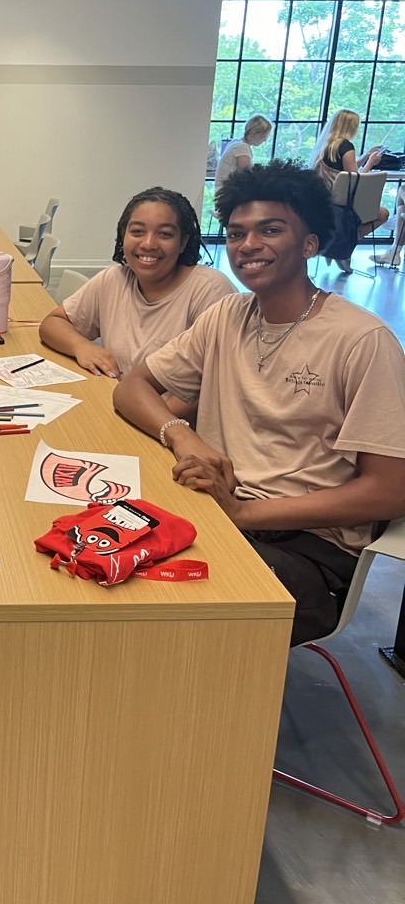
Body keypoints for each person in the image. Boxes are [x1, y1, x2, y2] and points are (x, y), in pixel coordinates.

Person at [113, 161, 405, 647]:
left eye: (270, 230)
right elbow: (131, 388)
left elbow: (391, 491)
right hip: (216, 513)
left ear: (309, 243)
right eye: (236, 232)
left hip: (309, 550)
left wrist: (244, 515)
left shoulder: (363, 341)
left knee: (149, 611)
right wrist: (182, 435)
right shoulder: (227, 315)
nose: (248, 245)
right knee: (95, 552)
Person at [38, 187, 234, 379]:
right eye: (138, 231)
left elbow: (211, 384)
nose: (148, 243)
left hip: (163, 411)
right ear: (123, 236)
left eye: (165, 234)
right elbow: (53, 323)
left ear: (182, 242)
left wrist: (129, 406)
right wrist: (81, 346)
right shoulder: (113, 280)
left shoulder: (210, 290)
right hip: (116, 399)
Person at [309, 110, 390, 270]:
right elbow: (356, 182)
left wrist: (366, 155)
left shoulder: (326, 145)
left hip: (323, 201)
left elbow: (344, 170)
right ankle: (343, 247)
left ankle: (338, 246)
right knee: (383, 214)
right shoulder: (346, 146)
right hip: (342, 204)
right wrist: (371, 163)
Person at [213, 115, 273, 191]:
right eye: (264, 136)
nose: (264, 140)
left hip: (224, 191)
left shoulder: (236, 142)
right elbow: (246, 175)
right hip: (228, 193)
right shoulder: (242, 148)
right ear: (255, 133)